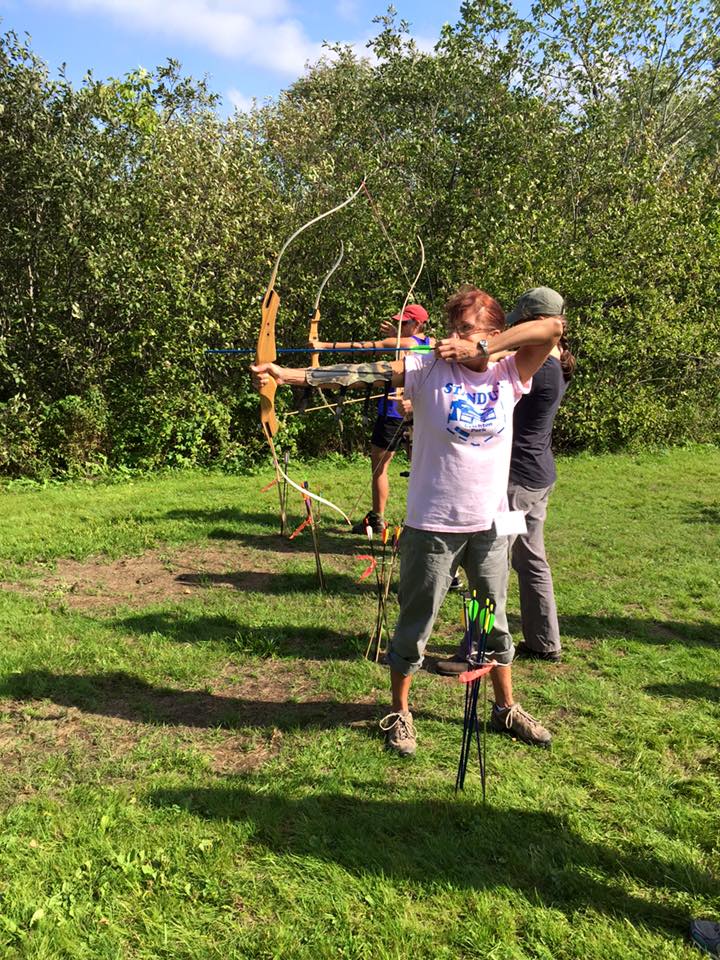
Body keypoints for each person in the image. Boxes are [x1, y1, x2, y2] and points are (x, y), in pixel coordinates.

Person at [252, 285, 563, 757]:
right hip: (433, 527)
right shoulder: (426, 367)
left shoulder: (510, 372)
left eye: (467, 329)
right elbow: (361, 373)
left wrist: (482, 349)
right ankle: (400, 711)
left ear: (494, 333)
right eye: (453, 327)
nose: (454, 337)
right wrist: (289, 374)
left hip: (488, 527)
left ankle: (505, 706)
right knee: (416, 623)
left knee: (490, 621)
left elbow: (551, 328)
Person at [310, 303, 432, 534]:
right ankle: (422, 520)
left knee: (379, 467)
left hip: (394, 412)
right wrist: (397, 337)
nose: (399, 326)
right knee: (422, 468)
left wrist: (322, 346)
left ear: (417, 324)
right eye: (398, 323)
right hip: (421, 412)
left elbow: (365, 346)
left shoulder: (405, 343)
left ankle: (377, 518)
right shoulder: (430, 344)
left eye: (403, 323)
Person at [504, 287, 575, 663]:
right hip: (535, 474)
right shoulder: (556, 359)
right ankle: (543, 641)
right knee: (529, 557)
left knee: (502, 559)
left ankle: (491, 645)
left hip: (518, 482)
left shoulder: (540, 367)